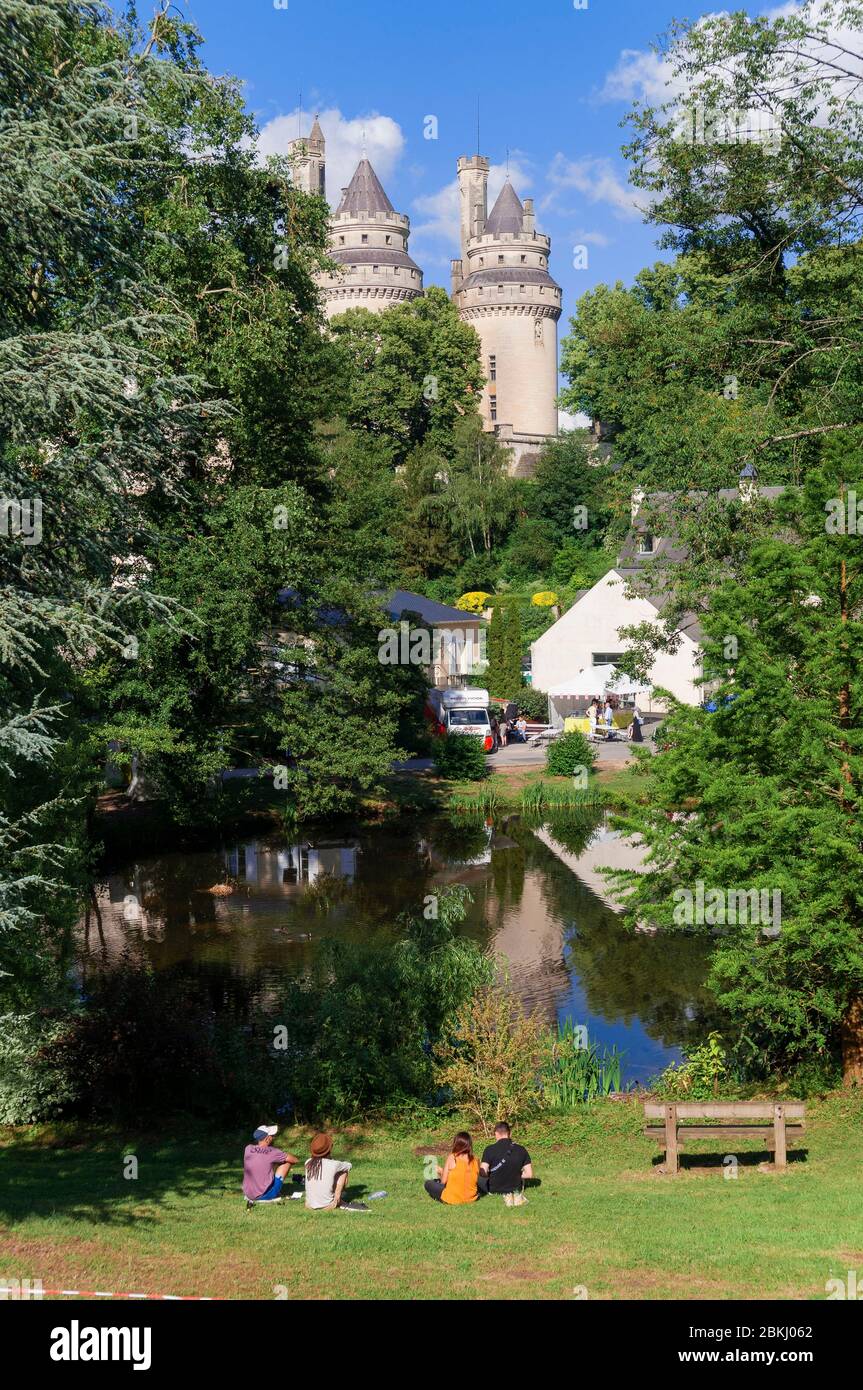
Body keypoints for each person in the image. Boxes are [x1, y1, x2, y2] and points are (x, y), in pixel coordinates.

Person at [304, 1132, 368, 1212]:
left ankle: (313, 1200)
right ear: (329, 1149)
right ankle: (337, 1200)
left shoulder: (308, 1162)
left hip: (309, 1205)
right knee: (344, 1171)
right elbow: (349, 1165)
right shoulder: (334, 1164)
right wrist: (333, 1160)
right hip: (327, 1205)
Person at [478, 1121, 533, 1207]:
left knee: (478, 1177)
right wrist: (516, 1174)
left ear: (496, 1133)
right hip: (515, 1188)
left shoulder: (489, 1149)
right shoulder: (521, 1149)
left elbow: (483, 1172)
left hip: (494, 1189)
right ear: (509, 1133)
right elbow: (529, 1174)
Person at [243, 1124, 299, 1204]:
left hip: (248, 1194)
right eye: (272, 1136)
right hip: (264, 1195)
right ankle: (270, 1193)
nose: (273, 1138)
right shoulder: (273, 1151)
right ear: (267, 1139)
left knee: (268, 1163)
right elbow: (294, 1160)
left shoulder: (248, 1148)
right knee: (287, 1163)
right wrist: (282, 1156)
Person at [424, 1131, 481, 1204]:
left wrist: (441, 1171)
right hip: (471, 1198)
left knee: (428, 1183)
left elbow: (443, 1182)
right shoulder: (476, 1160)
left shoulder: (452, 1157)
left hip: (453, 1199)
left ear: (456, 1144)